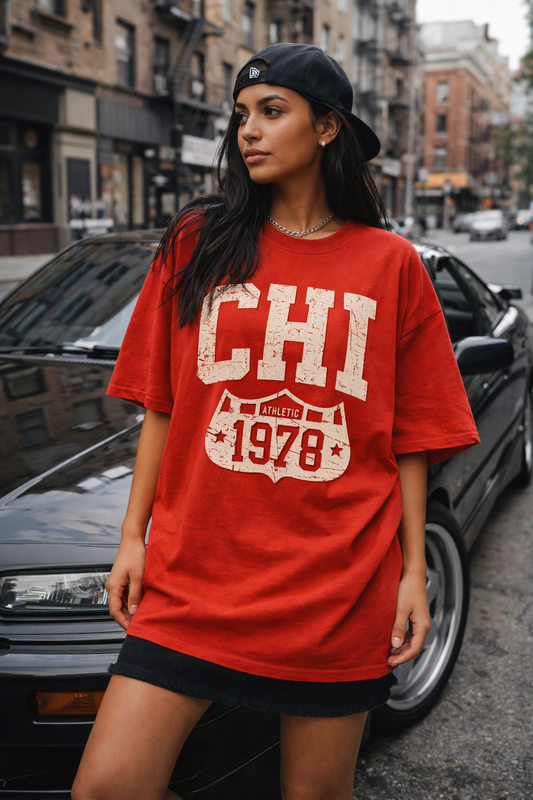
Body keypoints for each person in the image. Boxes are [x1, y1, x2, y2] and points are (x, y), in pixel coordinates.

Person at [72, 43, 479, 800]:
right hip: (195, 580)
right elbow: (162, 403)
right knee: (107, 786)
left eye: (270, 111)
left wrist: (412, 572)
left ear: (327, 128)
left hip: (336, 586)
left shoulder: (390, 265)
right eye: (240, 117)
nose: (246, 132)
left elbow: (410, 439)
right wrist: (134, 539)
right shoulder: (198, 243)